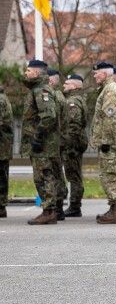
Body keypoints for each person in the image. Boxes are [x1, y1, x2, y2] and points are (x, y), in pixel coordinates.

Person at [21, 60, 60, 224]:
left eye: (29, 71)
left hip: (43, 144)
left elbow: (49, 116)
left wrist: (37, 137)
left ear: (37, 73)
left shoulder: (41, 90)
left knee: (44, 176)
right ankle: (49, 210)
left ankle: (49, 211)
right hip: (41, 144)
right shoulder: (37, 89)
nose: (26, 74)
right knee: (43, 176)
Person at [90, 61, 116, 224]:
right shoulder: (108, 89)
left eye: (96, 73)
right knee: (111, 174)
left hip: (110, 142)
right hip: (112, 140)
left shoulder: (110, 90)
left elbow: (110, 117)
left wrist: (105, 140)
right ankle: (114, 208)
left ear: (104, 74)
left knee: (111, 175)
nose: (94, 76)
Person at [61, 74, 88, 218]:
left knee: (74, 176)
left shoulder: (73, 102)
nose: (64, 85)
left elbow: (74, 126)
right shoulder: (76, 99)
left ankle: (75, 206)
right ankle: (74, 205)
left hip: (73, 144)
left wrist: (69, 146)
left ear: (75, 86)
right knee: (74, 175)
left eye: (67, 83)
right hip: (74, 143)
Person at [47, 68, 68, 220]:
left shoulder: (55, 97)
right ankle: (59, 207)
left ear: (53, 81)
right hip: (59, 140)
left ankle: (57, 207)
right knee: (57, 173)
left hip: (55, 141)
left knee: (55, 174)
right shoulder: (60, 96)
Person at [0, 83, 11, 218]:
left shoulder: (1, 99)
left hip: (2, 145)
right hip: (3, 144)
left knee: (1, 177)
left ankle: (1, 206)